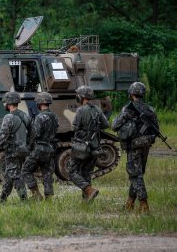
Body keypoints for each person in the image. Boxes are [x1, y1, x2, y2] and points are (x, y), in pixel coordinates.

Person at [112, 82, 158, 213]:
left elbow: (114, 126)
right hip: (146, 144)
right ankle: (130, 202)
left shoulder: (127, 109)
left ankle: (144, 204)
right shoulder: (150, 109)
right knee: (138, 173)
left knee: (134, 174)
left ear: (131, 94)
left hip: (134, 145)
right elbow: (156, 130)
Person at [67, 85, 109, 203]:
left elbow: (74, 127)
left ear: (82, 97)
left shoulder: (81, 110)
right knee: (86, 172)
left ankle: (89, 190)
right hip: (95, 146)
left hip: (82, 147)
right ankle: (87, 201)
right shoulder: (98, 109)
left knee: (72, 171)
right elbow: (106, 125)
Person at [0, 91, 30, 203]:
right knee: (10, 174)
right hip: (23, 150)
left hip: (13, 150)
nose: (4, 104)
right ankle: (2, 198)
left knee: (14, 175)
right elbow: (32, 132)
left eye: (5, 102)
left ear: (9, 103)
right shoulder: (24, 115)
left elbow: (3, 136)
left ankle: (23, 199)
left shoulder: (8, 117)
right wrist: (27, 145)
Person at [22, 92, 59, 201]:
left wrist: (28, 146)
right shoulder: (54, 116)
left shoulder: (40, 117)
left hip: (39, 148)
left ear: (40, 103)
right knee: (47, 173)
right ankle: (49, 198)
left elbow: (35, 134)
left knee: (26, 170)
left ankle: (36, 194)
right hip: (50, 148)